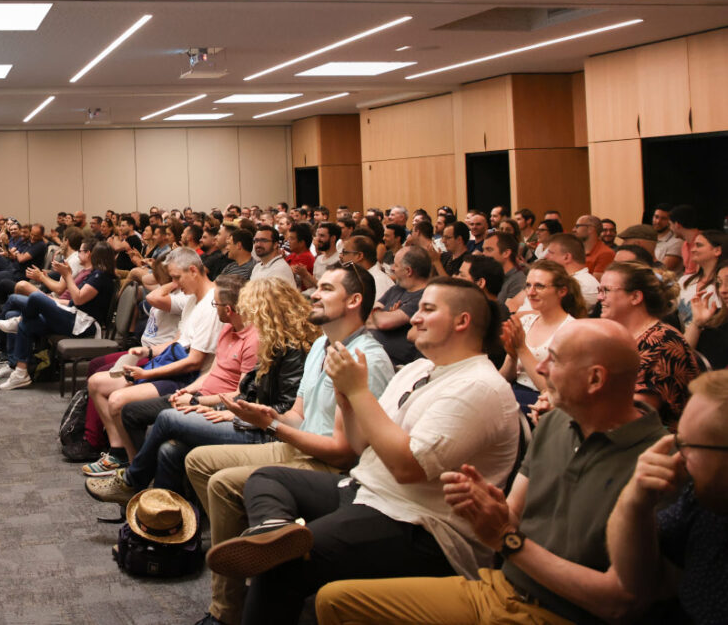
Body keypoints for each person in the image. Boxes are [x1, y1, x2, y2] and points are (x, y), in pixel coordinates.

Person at [208, 278, 519, 625]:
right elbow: (361, 445)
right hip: (367, 492)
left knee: (282, 567)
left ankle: (274, 554)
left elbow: (406, 468)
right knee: (266, 479)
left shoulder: (478, 386)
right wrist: (347, 400)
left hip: (420, 526)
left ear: (462, 321)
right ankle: (273, 532)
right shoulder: (420, 369)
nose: (414, 316)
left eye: (428, 309)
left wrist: (357, 393)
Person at [316, 320, 666, 625]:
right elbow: (510, 517)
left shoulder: (658, 462)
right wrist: (486, 507)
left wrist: (507, 540)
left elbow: (619, 605)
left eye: (553, 359)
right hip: (500, 589)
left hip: (559, 614)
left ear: (595, 379)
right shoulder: (557, 422)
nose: (539, 368)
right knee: (334, 601)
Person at [184, 266, 394, 625]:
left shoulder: (363, 361)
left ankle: (226, 610)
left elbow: (344, 452)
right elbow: (298, 414)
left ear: (354, 301)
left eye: (326, 289)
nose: (313, 293)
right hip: (299, 447)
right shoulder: (320, 347)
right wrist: (264, 416)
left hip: (331, 467)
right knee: (198, 461)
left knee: (222, 483)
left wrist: (272, 425)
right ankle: (255, 554)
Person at [86, 278, 319, 503]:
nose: (247, 315)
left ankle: (131, 483)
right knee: (169, 449)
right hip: (242, 414)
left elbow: (283, 410)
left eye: (251, 308)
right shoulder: (269, 340)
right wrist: (208, 400)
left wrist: (219, 408)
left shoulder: (288, 348)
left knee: (167, 419)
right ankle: (161, 523)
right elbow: (247, 392)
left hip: (260, 429)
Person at [81, 247, 220, 475]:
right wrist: (148, 352)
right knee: (97, 382)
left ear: (193, 270)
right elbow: (177, 341)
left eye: (176, 278)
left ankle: (136, 471)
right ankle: (119, 453)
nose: (174, 284)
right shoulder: (194, 300)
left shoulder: (212, 304)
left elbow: (194, 362)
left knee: (117, 400)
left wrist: (147, 374)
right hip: (171, 366)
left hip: (188, 378)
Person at [607, 369, 728, 624]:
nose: (678, 457)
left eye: (687, 445)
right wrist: (635, 502)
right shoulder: (700, 500)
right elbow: (636, 583)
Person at [0, 242, 116, 391]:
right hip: (74, 316)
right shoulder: (96, 274)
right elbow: (73, 302)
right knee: (27, 325)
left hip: (84, 326)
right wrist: (54, 300)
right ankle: (20, 373)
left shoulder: (101, 277)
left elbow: (78, 299)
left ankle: (19, 320)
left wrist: (67, 275)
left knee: (36, 298)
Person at [599, 261, 698, 426]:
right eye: (599, 290)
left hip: (652, 442)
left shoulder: (664, 342)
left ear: (636, 297)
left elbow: (638, 414)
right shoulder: (614, 337)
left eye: (606, 290)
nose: (599, 297)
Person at [501, 259, 583, 413]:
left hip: (542, 403)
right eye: (528, 285)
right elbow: (504, 379)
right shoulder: (525, 322)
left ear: (562, 291)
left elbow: (553, 391)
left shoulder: (572, 330)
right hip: (512, 393)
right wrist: (512, 356)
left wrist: (522, 349)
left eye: (539, 286)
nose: (531, 293)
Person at [367, 245, 431, 367]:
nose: (392, 268)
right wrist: (385, 315)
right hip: (372, 353)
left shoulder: (425, 296)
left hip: (394, 364)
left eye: (396, 265)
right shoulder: (397, 289)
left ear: (408, 271)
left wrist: (382, 315)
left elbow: (383, 322)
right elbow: (366, 317)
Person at [677, 230, 725, 329]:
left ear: (717, 250)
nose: (692, 249)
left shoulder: (724, 287)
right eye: (693, 245)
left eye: (699, 245)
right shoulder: (684, 280)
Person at [687, 263, 728, 369]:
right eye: (720, 283)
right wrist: (697, 323)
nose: (723, 290)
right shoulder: (715, 319)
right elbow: (681, 356)